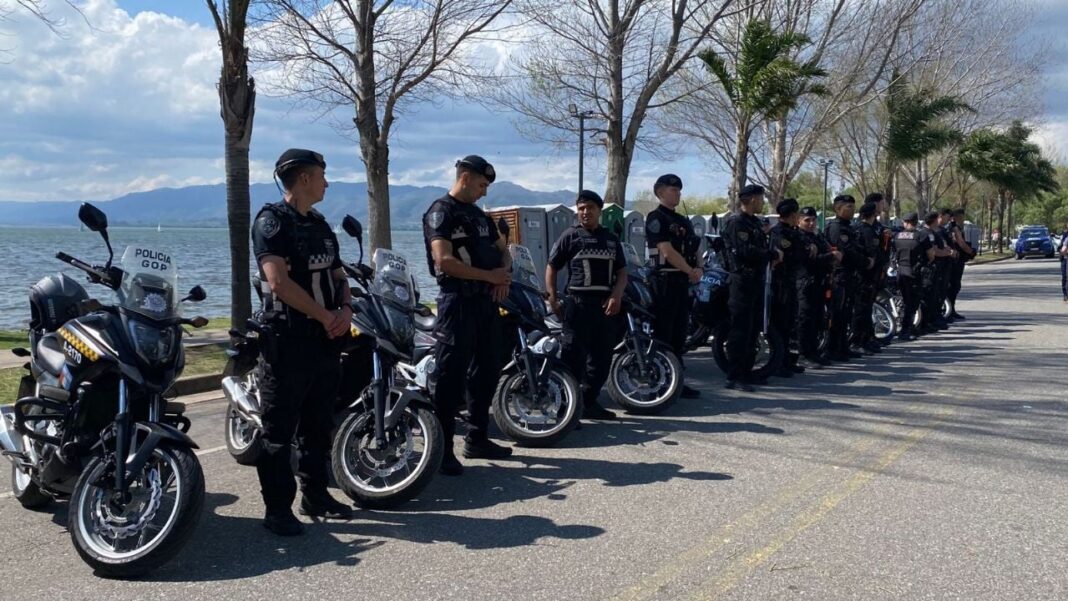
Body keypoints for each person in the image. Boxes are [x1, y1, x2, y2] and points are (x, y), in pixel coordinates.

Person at [251, 148, 355, 536]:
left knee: (319, 424)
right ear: (305, 178)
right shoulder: (272, 222)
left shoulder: (320, 225)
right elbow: (278, 282)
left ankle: (316, 495)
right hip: (287, 340)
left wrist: (345, 309)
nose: (327, 183)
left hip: (325, 341)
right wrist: (326, 316)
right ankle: (277, 510)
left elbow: (338, 275)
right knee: (278, 431)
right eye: (322, 176)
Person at [423, 155, 513, 477]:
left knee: (488, 371)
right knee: (450, 379)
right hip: (457, 303)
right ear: (464, 177)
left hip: (485, 304)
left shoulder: (479, 216)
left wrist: (503, 276)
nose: (484, 191)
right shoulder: (441, 212)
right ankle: (442, 451)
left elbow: (503, 250)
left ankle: (477, 438)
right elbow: (443, 260)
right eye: (481, 185)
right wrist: (490, 277)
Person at [546, 190, 628, 420]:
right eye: (581, 208)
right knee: (572, 360)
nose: (585, 212)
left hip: (605, 308)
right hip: (577, 306)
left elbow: (622, 272)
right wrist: (552, 298)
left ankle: (588, 403)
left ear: (599, 210)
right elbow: (552, 266)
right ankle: (566, 411)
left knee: (601, 362)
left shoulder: (611, 239)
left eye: (590, 208)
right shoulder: (570, 236)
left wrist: (617, 295)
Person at [645, 173, 702, 398]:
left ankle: (677, 381)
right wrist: (690, 270)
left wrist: (699, 268)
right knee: (663, 333)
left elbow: (695, 245)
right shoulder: (656, 218)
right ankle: (659, 382)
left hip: (682, 282)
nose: (678, 194)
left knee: (679, 334)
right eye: (673, 190)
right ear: (660, 192)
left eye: (679, 190)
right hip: (664, 281)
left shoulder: (683, 220)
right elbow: (666, 251)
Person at [721, 184, 782, 391]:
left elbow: (761, 247)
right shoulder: (736, 223)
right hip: (741, 281)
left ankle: (746, 372)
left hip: (756, 280)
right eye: (761, 199)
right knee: (740, 329)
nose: (763, 202)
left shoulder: (754, 223)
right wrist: (772, 255)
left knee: (753, 328)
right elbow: (745, 251)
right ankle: (734, 375)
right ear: (752, 199)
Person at [824, 195, 870, 361]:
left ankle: (843, 346)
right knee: (838, 313)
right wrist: (865, 261)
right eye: (848, 207)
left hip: (850, 275)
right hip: (840, 275)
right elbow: (846, 251)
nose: (852, 210)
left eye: (853, 206)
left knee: (846, 313)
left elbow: (857, 247)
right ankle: (833, 348)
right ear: (838, 209)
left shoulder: (848, 227)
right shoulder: (836, 227)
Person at [768, 198, 808, 377]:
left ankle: (789, 361)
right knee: (781, 324)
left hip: (792, 281)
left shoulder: (794, 232)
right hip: (780, 283)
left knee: (790, 323)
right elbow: (789, 256)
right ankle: (779, 363)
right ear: (792, 215)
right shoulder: (778, 233)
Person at [797, 207, 840, 366]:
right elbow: (810, 260)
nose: (811, 223)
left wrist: (831, 257)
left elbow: (827, 252)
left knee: (817, 319)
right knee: (805, 319)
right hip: (805, 283)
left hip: (819, 282)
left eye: (813, 220)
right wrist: (831, 256)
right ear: (799, 221)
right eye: (807, 220)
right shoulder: (799, 237)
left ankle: (814, 352)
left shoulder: (817, 236)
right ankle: (804, 354)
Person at [891, 212, 931, 341]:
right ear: (916, 222)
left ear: (905, 222)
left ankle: (908, 327)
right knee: (912, 302)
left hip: (900, 271)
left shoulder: (897, 236)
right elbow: (931, 255)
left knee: (905, 300)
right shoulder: (921, 236)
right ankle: (905, 329)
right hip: (914, 272)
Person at [850, 202, 881, 355]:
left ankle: (866, 339)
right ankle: (858, 341)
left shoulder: (856, 228)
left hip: (862, 274)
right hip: (865, 275)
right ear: (873, 214)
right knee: (862, 310)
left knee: (865, 309)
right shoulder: (867, 231)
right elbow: (872, 252)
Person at [919, 212, 953, 333]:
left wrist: (947, 250)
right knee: (928, 297)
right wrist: (948, 253)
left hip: (936, 269)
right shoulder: (927, 233)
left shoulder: (934, 232)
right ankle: (926, 322)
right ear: (934, 221)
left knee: (934, 296)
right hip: (929, 269)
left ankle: (932, 319)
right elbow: (934, 251)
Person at [945, 208, 974, 319]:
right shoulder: (954, 228)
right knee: (953, 286)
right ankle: (949, 311)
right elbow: (961, 243)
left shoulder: (953, 227)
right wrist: (971, 252)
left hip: (956, 259)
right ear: (955, 217)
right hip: (955, 260)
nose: (962, 219)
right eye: (961, 217)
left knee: (954, 286)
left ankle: (951, 310)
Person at [1060, 223, 1068, 301]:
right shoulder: (1065, 234)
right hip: (1064, 258)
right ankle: (1065, 295)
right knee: (1064, 276)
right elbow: (1061, 246)